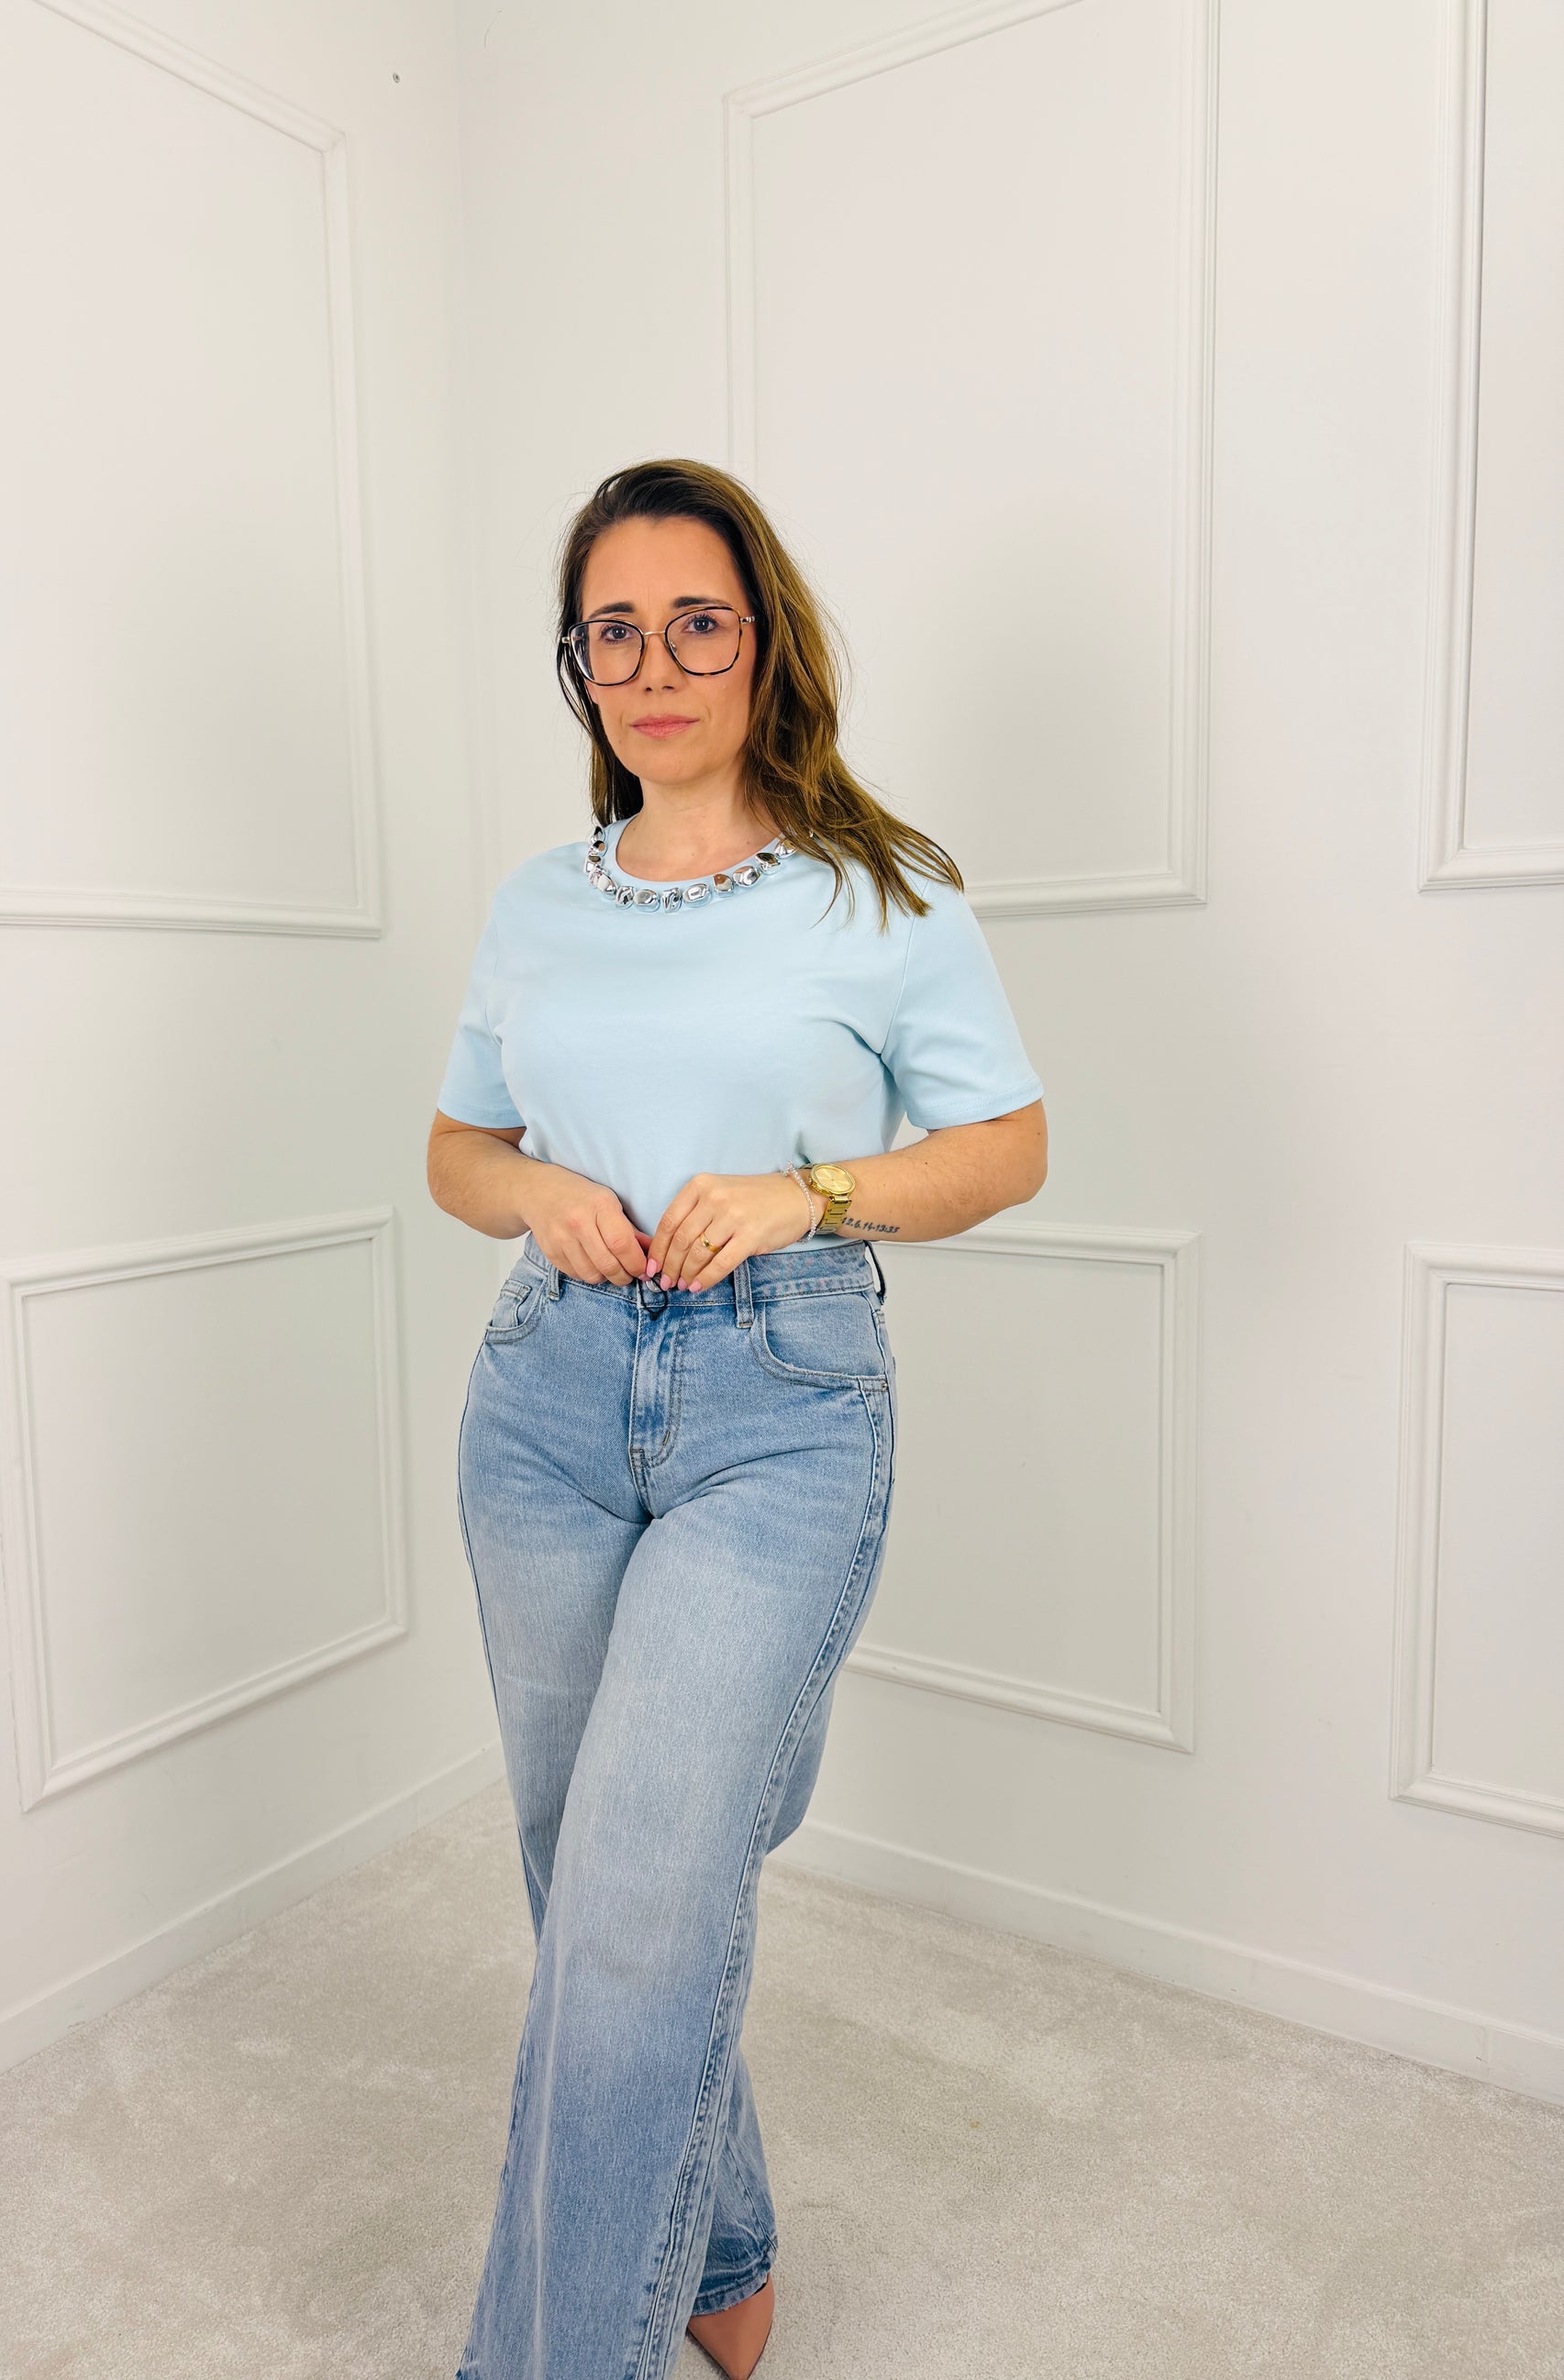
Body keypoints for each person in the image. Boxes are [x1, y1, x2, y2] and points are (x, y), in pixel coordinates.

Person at [427, 458, 1047, 2380]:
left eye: (694, 622)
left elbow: (1006, 1148)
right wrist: (534, 1188)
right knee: (586, 1867)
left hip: (775, 1404)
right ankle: (719, 2235)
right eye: (610, 632)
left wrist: (808, 1193)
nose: (652, 666)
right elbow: (457, 1150)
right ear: (578, 666)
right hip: (544, 1394)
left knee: (640, 1891)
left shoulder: (880, 891)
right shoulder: (540, 901)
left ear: (762, 641)